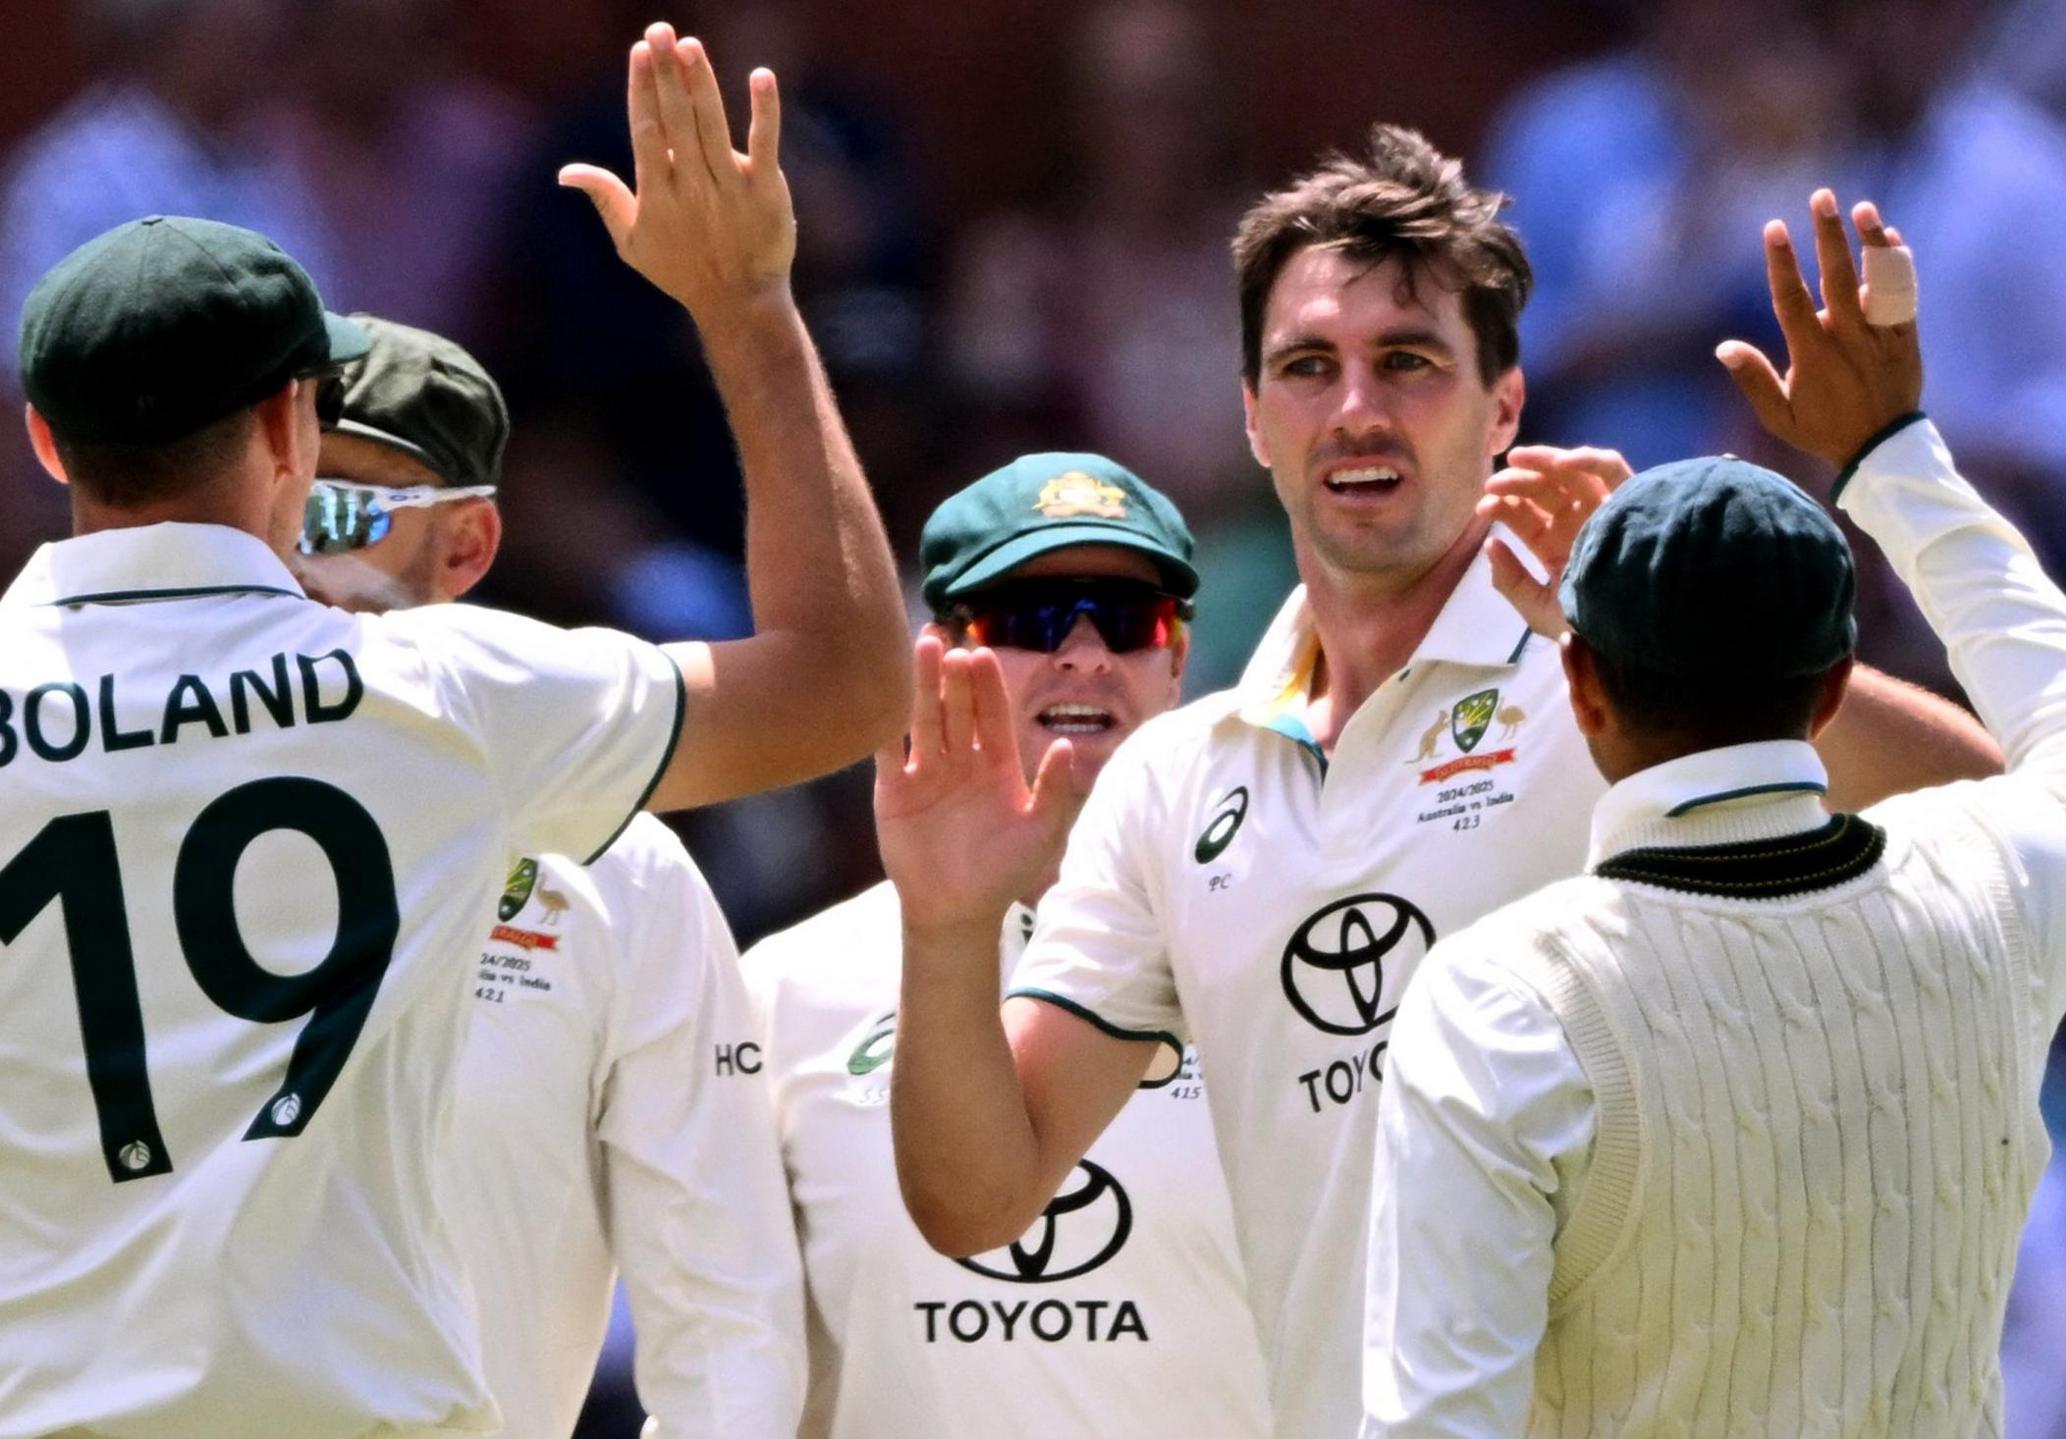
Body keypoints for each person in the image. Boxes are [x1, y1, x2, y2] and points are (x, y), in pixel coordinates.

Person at [881, 124, 2006, 1438]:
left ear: (1507, 408)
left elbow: (1992, 815)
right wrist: (948, 929)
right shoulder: (1177, 780)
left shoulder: (1620, 674)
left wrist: (1678, 624)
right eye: (1309, 367)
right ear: (1252, 413)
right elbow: (980, 1193)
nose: (1355, 407)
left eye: (1408, 362)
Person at [0, 26, 907, 1438]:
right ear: (291, 426)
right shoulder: (441, 698)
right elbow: (850, 681)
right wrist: (746, 306)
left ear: (47, 440)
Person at [1353, 189, 2066, 1436]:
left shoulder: (1499, 997)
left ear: (1577, 681)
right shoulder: (1992, 890)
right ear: (1842, 681)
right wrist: (1894, 453)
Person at [292, 314, 806, 1438]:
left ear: (466, 548)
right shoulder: (90, 793)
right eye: (253, 517)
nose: (290, 561)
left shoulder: (622, 868)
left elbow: (725, 1314)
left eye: (335, 512)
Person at [745, 452, 1271, 1437]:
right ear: (939, 654)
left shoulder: (1280, 964)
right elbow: (720, 1363)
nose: (1082, 652)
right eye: (1030, 616)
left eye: (1126, 617)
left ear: (1178, 659)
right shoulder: (781, 989)